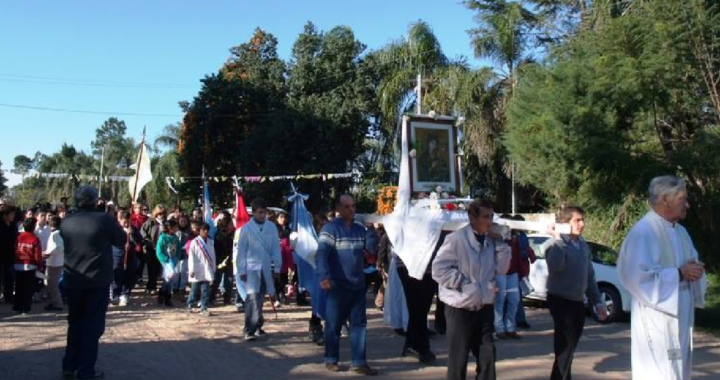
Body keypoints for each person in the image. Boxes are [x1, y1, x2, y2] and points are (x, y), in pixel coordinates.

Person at [617, 176, 706, 380]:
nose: (687, 205)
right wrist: (679, 273)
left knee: (679, 370)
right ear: (665, 199)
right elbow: (636, 277)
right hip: (656, 315)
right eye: (682, 199)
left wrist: (696, 270)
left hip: (681, 312)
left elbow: (691, 263)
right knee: (660, 371)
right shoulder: (643, 232)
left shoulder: (681, 232)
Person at [432, 199, 512, 380]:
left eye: (492, 216)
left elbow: (502, 269)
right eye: (485, 216)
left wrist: (501, 244)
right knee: (458, 360)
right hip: (460, 308)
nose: (490, 221)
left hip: (484, 306)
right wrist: (463, 283)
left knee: (488, 354)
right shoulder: (456, 239)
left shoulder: (492, 241)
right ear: (472, 218)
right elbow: (438, 269)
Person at [61, 186, 125, 380]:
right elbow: (121, 239)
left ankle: (69, 366)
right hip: (96, 281)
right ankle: (86, 371)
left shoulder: (67, 221)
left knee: (75, 323)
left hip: (73, 280)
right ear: (95, 201)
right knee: (92, 326)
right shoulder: (103, 219)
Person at [316, 194, 378, 376]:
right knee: (333, 324)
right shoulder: (330, 229)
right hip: (337, 285)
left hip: (357, 284)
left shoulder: (360, 230)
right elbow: (321, 255)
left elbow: (371, 250)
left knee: (359, 324)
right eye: (347, 207)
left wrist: (372, 230)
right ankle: (331, 359)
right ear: (339, 209)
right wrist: (324, 277)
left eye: (353, 206)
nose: (352, 210)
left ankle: (359, 362)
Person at [545, 206, 608, 380]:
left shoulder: (583, 246)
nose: (582, 224)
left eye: (582, 220)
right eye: (577, 220)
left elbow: (589, 276)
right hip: (559, 300)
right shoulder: (554, 244)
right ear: (565, 223)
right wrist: (557, 238)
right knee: (565, 345)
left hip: (577, 301)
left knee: (569, 347)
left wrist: (598, 302)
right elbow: (556, 266)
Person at [236, 198, 282, 341]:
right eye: (260, 213)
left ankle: (257, 326)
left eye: (264, 213)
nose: (263, 215)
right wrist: (241, 270)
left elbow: (276, 248)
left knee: (261, 298)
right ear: (254, 213)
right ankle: (248, 328)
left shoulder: (272, 227)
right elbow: (241, 251)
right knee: (252, 298)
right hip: (251, 267)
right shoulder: (246, 229)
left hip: (266, 266)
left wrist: (278, 267)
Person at [494, 214, 522, 340]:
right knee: (500, 300)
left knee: (514, 300)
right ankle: (499, 329)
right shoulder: (495, 238)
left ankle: (510, 327)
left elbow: (518, 255)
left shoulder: (515, 237)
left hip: (512, 273)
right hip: (499, 273)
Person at [14, 217, 43, 315]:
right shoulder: (35, 239)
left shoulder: (18, 237)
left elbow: (14, 250)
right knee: (28, 289)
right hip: (30, 266)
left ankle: (16, 307)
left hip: (18, 265)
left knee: (18, 287)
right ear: (34, 227)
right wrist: (39, 265)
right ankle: (26, 309)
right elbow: (37, 255)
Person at [112, 211, 141, 307]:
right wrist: (122, 244)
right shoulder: (116, 230)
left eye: (128, 222)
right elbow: (112, 241)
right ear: (119, 220)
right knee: (117, 275)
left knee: (129, 275)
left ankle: (125, 294)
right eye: (124, 222)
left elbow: (139, 241)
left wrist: (132, 236)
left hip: (130, 256)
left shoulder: (134, 229)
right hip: (118, 256)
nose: (126, 224)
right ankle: (116, 294)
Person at [512, 215, 536, 329]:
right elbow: (519, 252)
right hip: (515, 269)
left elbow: (525, 248)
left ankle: (519, 319)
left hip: (522, 269)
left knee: (519, 295)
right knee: (515, 296)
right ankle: (518, 320)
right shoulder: (513, 235)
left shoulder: (522, 235)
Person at [187, 222, 215, 316]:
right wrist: (191, 269)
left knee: (205, 290)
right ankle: (190, 304)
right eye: (203, 230)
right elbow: (191, 257)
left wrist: (213, 268)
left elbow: (213, 256)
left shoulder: (211, 242)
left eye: (207, 230)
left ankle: (204, 307)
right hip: (196, 269)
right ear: (200, 231)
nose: (206, 232)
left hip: (207, 269)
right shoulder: (195, 242)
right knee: (194, 290)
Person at [141, 205, 166, 295]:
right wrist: (148, 242)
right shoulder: (150, 222)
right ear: (156, 214)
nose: (161, 216)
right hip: (151, 248)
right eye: (159, 214)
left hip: (161, 249)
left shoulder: (165, 223)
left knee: (158, 268)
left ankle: (154, 285)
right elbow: (143, 233)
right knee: (151, 267)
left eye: (163, 214)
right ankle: (150, 286)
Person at [156, 219, 180, 307]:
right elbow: (159, 251)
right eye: (174, 227)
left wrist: (177, 258)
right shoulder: (162, 238)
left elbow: (178, 249)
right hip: (165, 261)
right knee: (168, 279)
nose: (176, 228)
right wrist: (165, 259)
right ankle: (167, 297)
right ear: (169, 228)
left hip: (173, 260)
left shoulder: (175, 238)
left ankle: (162, 293)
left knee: (169, 279)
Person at [43, 215, 64, 311]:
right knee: (49, 283)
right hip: (52, 262)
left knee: (52, 284)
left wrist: (49, 253)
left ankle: (57, 304)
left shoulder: (57, 234)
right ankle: (53, 302)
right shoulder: (55, 233)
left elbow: (59, 247)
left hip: (55, 263)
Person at [0, 205, 18, 303]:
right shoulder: (1, 225)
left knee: (10, 277)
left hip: (10, 256)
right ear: (5, 215)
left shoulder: (13, 225)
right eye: (11, 214)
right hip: (1, 255)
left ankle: (9, 296)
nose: (13, 216)